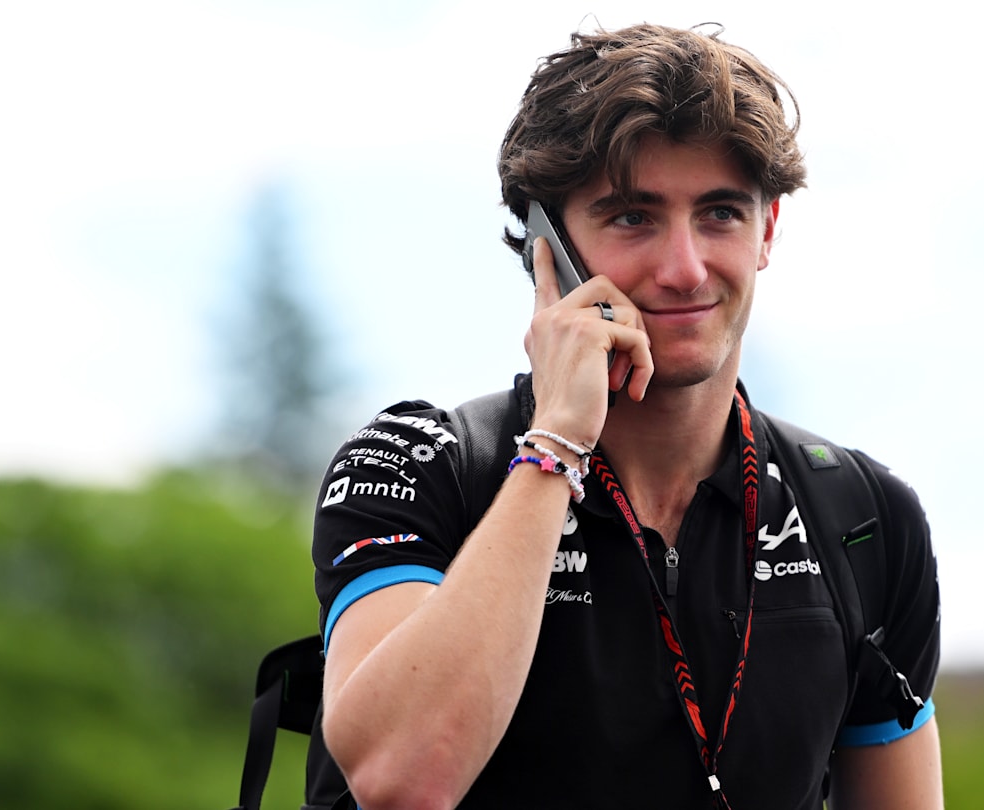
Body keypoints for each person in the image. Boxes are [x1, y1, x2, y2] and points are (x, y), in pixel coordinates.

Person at [311, 22, 943, 810]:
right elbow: (404, 778)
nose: (684, 269)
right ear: (546, 246)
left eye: (719, 214)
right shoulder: (416, 462)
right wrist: (556, 443)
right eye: (631, 218)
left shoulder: (865, 517)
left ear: (768, 230)